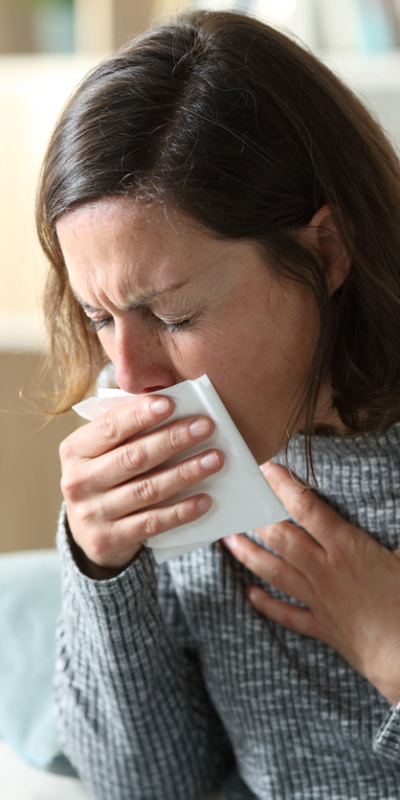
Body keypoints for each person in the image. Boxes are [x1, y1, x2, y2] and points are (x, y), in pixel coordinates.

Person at [36, 9, 400, 799]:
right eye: (101, 317)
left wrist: (390, 646)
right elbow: (147, 784)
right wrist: (106, 570)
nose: (130, 379)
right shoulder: (165, 463)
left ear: (324, 252)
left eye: (173, 316)